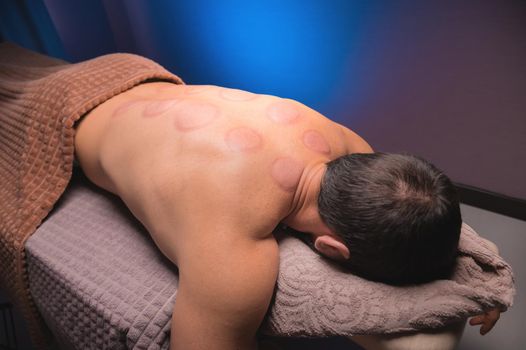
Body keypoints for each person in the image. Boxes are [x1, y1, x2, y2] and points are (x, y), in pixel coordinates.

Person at [73, 81, 502, 349]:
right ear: (330, 249)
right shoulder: (234, 249)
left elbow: (416, 206)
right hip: (71, 116)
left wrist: (478, 278)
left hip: (138, 81)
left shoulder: (345, 143)